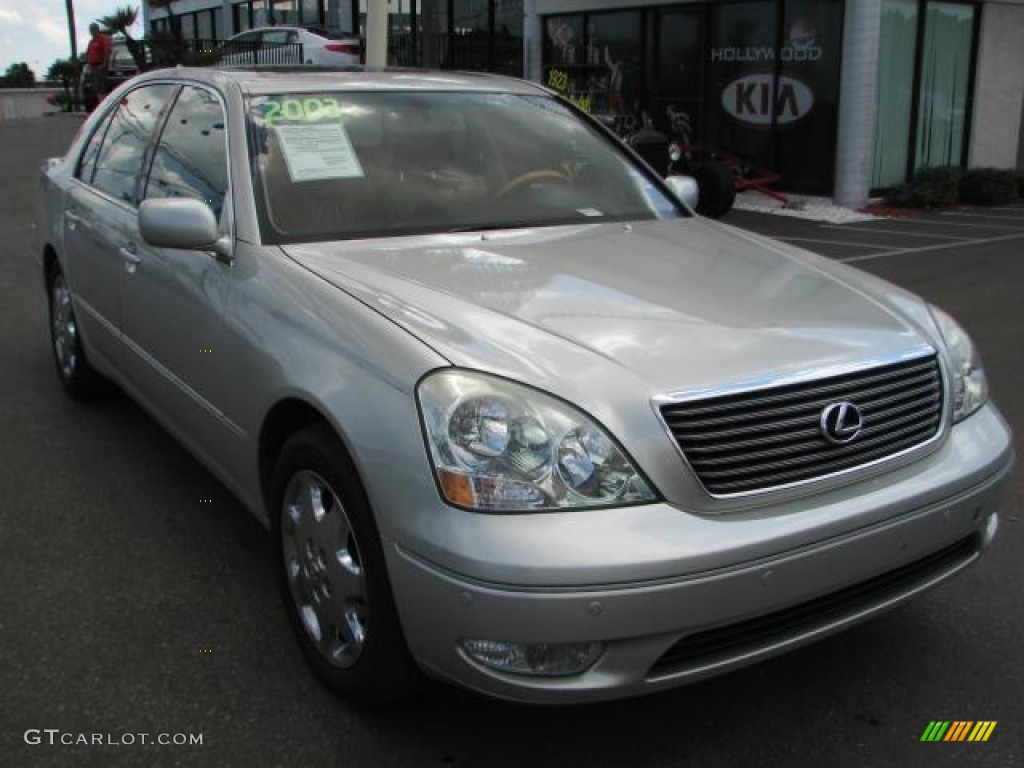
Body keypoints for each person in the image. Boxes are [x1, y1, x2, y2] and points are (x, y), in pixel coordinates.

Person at [85, 23, 113, 105]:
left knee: (101, 86)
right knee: (95, 87)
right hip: (92, 66)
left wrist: (104, 64)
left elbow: (107, 51)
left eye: (93, 29)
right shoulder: (91, 41)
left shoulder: (102, 39)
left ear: (97, 29)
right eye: (90, 29)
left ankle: (104, 104)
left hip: (99, 65)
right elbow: (88, 53)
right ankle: (99, 104)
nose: (91, 31)